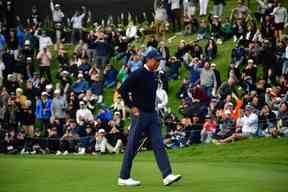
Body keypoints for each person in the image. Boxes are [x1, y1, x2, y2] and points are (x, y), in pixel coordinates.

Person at [118, 50, 181, 186]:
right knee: (132, 146)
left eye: (159, 60)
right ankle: (123, 177)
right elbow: (122, 90)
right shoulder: (138, 74)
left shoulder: (154, 75)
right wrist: (131, 106)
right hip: (140, 115)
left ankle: (167, 175)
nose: (158, 63)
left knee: (159, 144)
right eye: (156, 60)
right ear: (149, 59)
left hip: (152, 115)